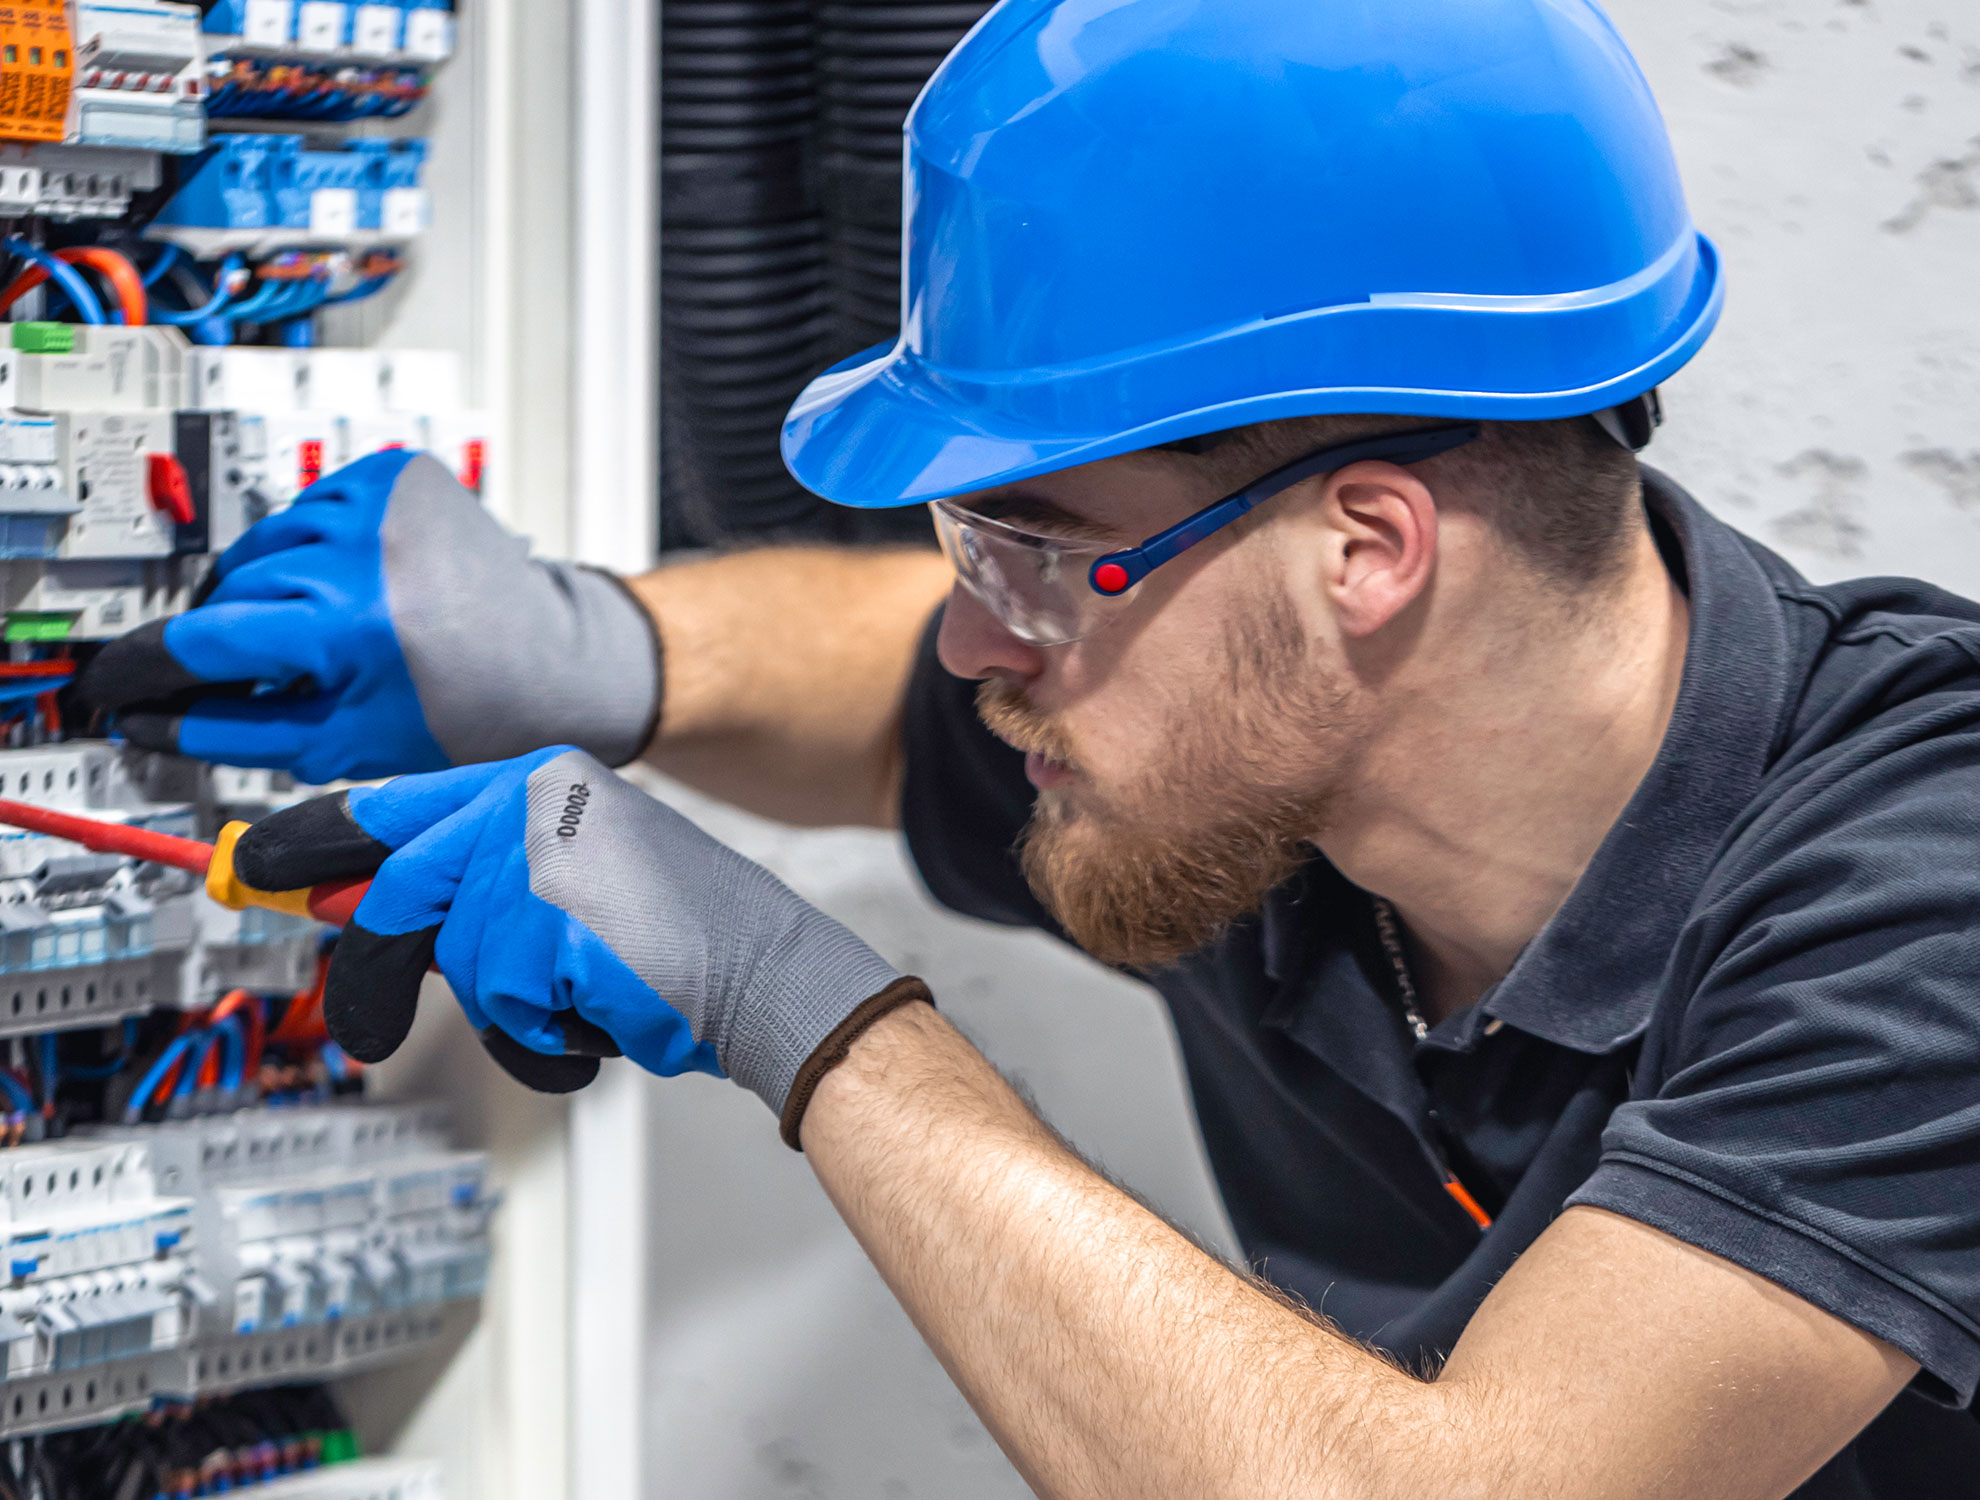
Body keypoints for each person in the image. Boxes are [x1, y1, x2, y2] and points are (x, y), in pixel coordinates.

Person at [76, 1, 1980, 1494]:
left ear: (1367, 551)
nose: (978, 635)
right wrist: (590, 647)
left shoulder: (1926, 882)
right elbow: (900, 713)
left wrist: (792, 1002)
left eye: (1031, 547)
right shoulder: (1257, 754)